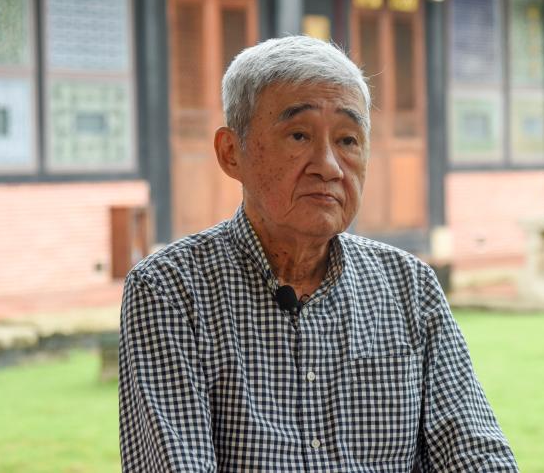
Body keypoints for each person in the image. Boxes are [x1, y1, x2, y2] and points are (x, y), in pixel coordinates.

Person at [118, 35, 518, 472]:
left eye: (348, 140)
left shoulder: (410, 287)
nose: (328, 166)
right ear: (232, 153)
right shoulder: (170, 290)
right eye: (299, 135)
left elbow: (475, 453)